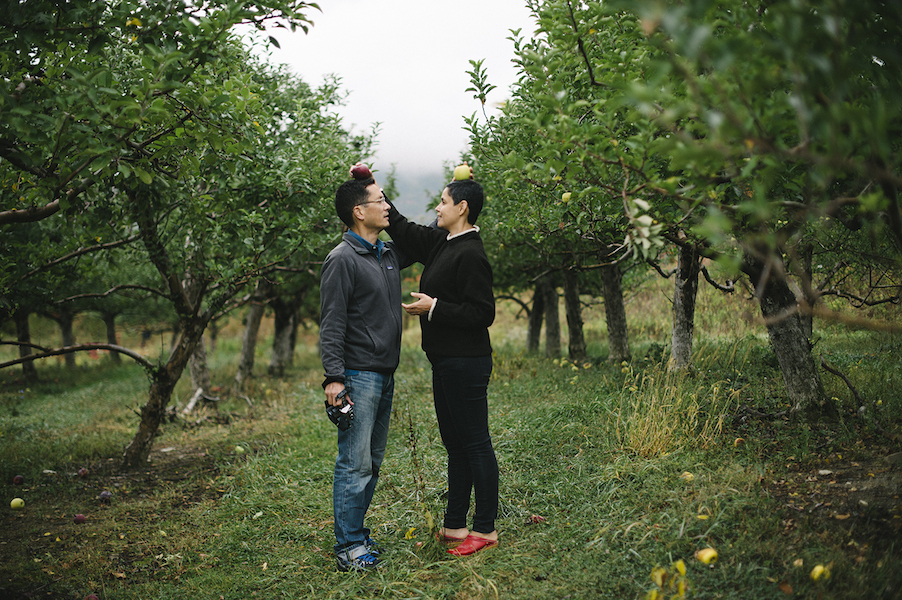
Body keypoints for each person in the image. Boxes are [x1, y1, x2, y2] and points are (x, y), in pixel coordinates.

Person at [384, 176, 499, 556]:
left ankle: (484, 529)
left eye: (444, 201)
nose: (437, 207)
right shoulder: (442, 243)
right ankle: (454, 525)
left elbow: (483, 313)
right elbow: (403, 230)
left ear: (462, 208)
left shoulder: (471, 253)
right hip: (446, 361)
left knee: (476, 444)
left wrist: (433, 307)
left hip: (467, 363)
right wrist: (371, 189)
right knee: (455, 444)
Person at [319, 175, 410, 572]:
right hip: (358, 374)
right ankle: (349, 546)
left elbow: (419, 241)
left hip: (384, 373)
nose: (387, 205)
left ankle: (355, 532)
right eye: (380, 199)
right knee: (353, 463)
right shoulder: (342, 259)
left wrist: (370, 180)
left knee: (371, 462)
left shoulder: (386, 253)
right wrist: (334, 379)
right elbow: (332, 322)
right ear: (359, 211)